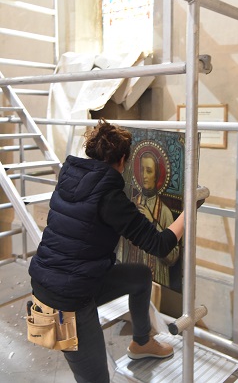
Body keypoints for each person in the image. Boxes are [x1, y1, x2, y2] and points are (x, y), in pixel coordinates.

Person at [28, 118, 184, 383]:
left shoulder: (70, 177)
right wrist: (189, 210)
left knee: (139, 277)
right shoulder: (110, 197)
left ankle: (142, 342)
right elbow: (160, 245)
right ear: (123, 160)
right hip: (66, 298)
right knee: (96, 378)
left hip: (70, 277)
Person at [130, 151, 180, 287]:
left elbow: (173, 256)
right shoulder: (132, 204)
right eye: (142, 170)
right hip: (133, 273)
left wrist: (152, 222)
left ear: (156, 175)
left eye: (149, 171)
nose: (144, 176)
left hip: (157, 274)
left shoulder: (164, 212)